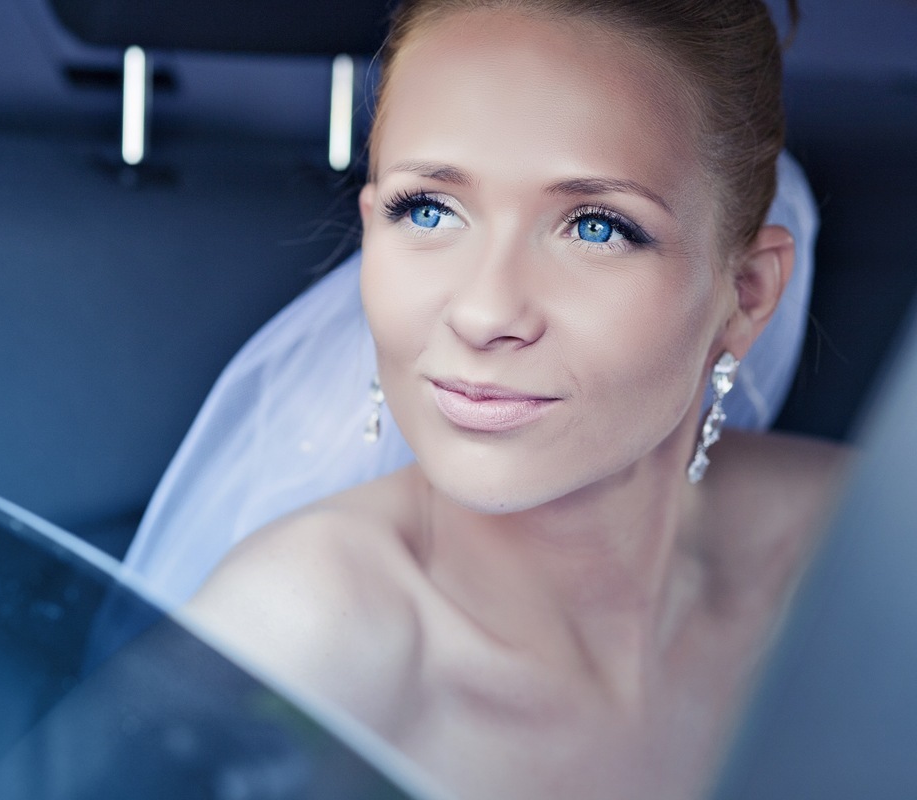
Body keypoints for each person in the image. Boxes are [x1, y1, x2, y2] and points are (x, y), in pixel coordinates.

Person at [180, 1, 848, 797]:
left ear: (746, 293)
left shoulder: (862, 544)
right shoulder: (293, 640)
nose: (484, 313)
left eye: (596, 228)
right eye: (428, 210)